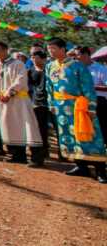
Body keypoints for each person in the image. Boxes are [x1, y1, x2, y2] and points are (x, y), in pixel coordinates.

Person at [45, 37, 107, 183]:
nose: (51, 51)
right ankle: (80, 166)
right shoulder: (50, 67)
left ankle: (100, 170)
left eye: (53, 48)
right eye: (49, 49)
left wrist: (91, 107)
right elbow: (49, 87)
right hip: (61, 107)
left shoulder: (79, 67)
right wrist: (51, 104)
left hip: (79, 106)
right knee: (69, 136)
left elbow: (88, 88)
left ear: (62, 49)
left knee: (90, 135)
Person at [0, 42, 44, 166]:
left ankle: (36, 157)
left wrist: (9, 93)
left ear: (5, 50)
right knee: (9, 127)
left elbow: (20, 80)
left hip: (19, 100)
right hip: (3, 100)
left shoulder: (18, 64)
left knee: (27, 127)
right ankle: (17, 154)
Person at [76, 45, 107, 137]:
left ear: (86, 54)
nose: (76, 57)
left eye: (77, 55)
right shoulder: (77, 69)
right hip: (81, 102)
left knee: (101, 126)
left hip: (98, 101)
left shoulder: (101, 69)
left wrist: (92, 87)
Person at [28, 49, 51, 163]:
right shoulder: (31, 70)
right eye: (33, 58)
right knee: (40, 128)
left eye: (36, 58)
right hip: (37, 101)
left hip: (51, 101)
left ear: (43, 59)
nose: (34, 60)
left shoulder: (50, 70)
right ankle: (43, 151)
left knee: (56, 128)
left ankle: (63, 154)